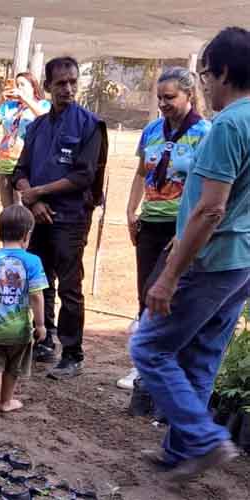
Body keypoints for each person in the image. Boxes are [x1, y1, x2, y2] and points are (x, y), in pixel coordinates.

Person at [131, 26, 250, 481]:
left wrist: (168, 276)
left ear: (221, 72)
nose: (206, 86)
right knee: (200, 355)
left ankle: (204, 440)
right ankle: (182, 450)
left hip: (212, 260)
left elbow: (210, 209)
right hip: (239, 263)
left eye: (205, 76)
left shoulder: (228, 126)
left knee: (149, 348)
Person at [12, 57, 107, 379]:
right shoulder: (37, 126)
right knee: (40, 280)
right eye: (61, 83)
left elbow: (83, 176)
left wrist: (38, 192)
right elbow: (19, 171)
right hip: (39, 216)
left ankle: (72, 353)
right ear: (48, 86)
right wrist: (31, 197)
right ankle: (43, 338)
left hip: (71, 216)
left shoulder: (89, 125)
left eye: (73, 82)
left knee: (69, 285)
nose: (68, 89)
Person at [119, 67, 211, 390]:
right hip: (150, 222)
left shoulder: (205, 134)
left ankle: (164, 365)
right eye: (159, 97)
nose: (163, 103)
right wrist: (131, 210)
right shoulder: (152, 131)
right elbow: (140, 172)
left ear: (189, 95)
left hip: (180, 226)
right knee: (145, 292)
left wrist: (184, 230)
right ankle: (142, 367)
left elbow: (205, 188)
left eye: (169, 97)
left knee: (166, 293)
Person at [0, 205, 48, 421]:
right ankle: (6, 402)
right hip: (20, 329)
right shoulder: (33, 261)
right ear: (27, 235)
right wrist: (40, 325)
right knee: (13, 367)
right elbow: (37, 296)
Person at [0, 72, 51, 207]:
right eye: (17, 84)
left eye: (23, 84)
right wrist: (1, 100)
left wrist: (25, 99)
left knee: (26, 207)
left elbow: (45, 119)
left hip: (29, 163)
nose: (18, 87)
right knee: (8, 208)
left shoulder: (43, 104)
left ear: (33, 87)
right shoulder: (9, 106)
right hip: (6, 161)